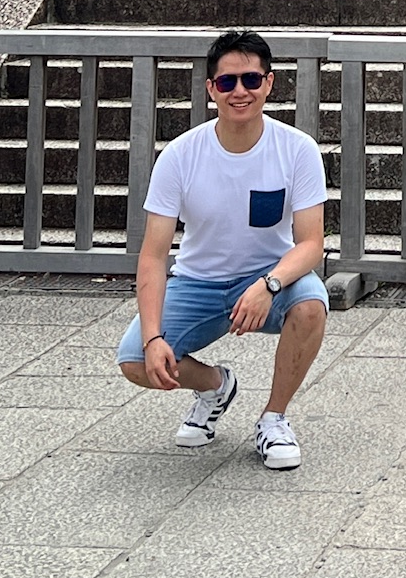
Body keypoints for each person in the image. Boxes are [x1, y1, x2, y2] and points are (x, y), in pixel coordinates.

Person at [116, 28, 329, 471]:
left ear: (269, 83)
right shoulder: (180, 155)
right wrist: (155, 337)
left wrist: (268, 285)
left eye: (251, 80)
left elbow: (311, 244)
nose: (240, 91)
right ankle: (215, 385)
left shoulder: (297, 149)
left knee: (311, 304)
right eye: (227, 81)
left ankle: (273, 419)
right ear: (211, 88)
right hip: (199, 281)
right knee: (136, 360)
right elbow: (153, 255)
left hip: (270, 278)